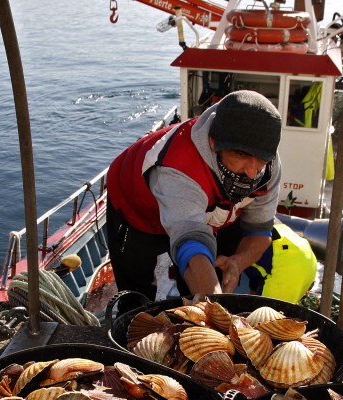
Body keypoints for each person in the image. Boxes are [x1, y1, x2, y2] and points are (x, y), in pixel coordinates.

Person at [106, 90, 283, 299]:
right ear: (213, 142)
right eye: (241, 155)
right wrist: (217, 314)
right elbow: (191, 240)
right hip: (138, 210)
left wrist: (238, 261)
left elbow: (259, 231)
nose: (253, 172)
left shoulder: (268, 164)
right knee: (136, 295)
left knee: (204, 280)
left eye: (261, 159)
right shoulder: (178, 166)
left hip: (211, 211)